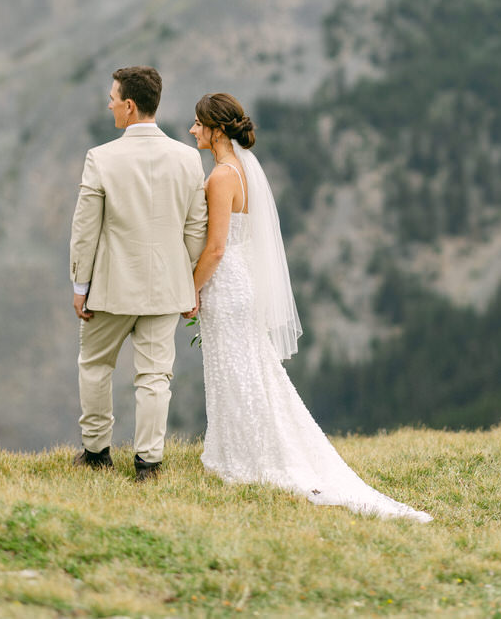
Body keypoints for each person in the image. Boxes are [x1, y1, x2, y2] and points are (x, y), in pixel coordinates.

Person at [189, 91, 431, 522]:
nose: (192, 131)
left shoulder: (221, 177)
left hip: (227, 284)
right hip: (240, 283)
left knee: (236, 367)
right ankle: (237, 447)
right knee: (247, 367)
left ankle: (249, 456)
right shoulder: (243, 171)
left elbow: (217, 248)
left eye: (198, 124)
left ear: (217, 129)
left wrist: (190, 289)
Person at [69, 65, 207, 480]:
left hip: (110, 287)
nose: (108, 103)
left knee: (95, 364)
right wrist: (187, 281)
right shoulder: (188, 159)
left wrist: (80, 284)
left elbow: (85, 228)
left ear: (129, 106)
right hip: (167, 287)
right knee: (154, 377)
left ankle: (96, 453)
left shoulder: (101, 158)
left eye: (112, 97)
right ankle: (149, 462)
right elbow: (196, 228)